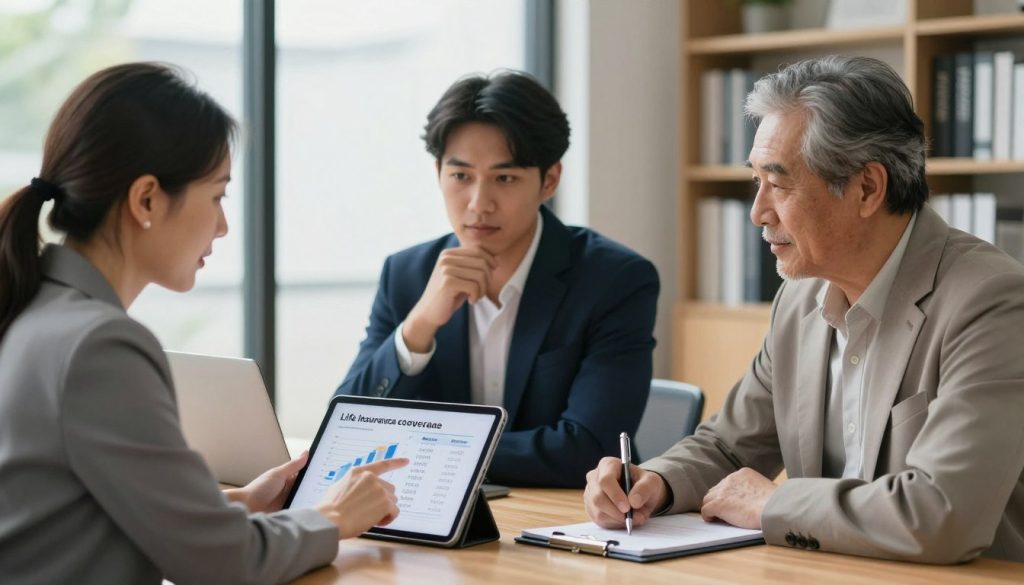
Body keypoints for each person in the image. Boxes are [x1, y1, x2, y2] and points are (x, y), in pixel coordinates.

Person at [584, 55, 1024, 564]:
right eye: (756, 181)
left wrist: (775, 504)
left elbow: (942, 513)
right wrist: (653, 482)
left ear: (867, 188)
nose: (757, 212)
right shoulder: (800, 299)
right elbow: (730, 447)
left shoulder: (991, 302)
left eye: (780, 183)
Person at [0, 63, 407, 584]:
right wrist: (333, 518)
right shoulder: (99, 345)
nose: (223, 225)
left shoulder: (34, 310)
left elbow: (76, 519)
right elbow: (221, 565)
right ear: (146, 199)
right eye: (216, 196)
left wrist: (241, 505)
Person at [336, 71, 659, 488]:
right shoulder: (407, 275)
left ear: (549, 180)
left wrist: (426, 451)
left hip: (562, 518)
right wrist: (418, 328)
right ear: (438, 172)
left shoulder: (614, 280)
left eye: (504, 178)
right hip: (431, 513)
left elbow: (588, 447)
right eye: (461, 176)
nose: (478, 204)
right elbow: (348, 428)